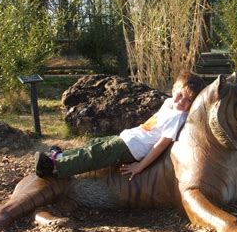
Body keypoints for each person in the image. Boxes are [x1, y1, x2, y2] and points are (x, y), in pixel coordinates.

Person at [35, 71, 206, 180]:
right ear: (174, 89)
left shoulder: (178, 117)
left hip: (133, 148)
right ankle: (60, 156)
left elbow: (161, 145)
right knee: (93, 145)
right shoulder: (169, 102)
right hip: (128, 137)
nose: (182, 101)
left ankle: (54, 166)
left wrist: (140, 166)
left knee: (95, 154)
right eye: (181, 95)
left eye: (189, 100)